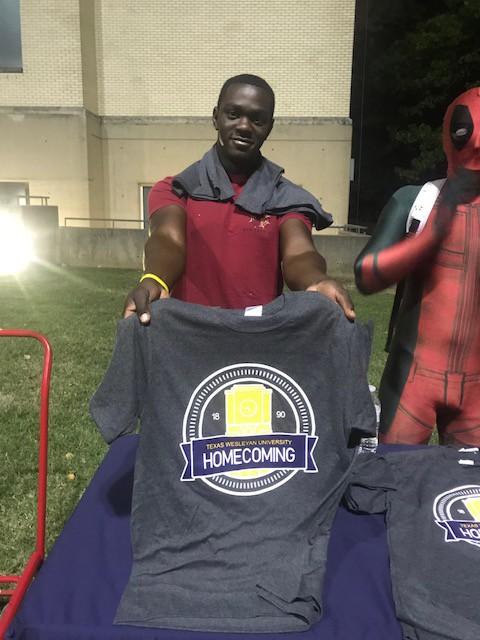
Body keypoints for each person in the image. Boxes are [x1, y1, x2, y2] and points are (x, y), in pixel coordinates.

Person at [123, 74, 354, 323]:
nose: (244, 126)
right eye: (233, 114)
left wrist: (317, 281)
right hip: (189, 336)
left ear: (270, 126)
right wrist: (154, 279)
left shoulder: (286, 197)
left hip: (257, 341)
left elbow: (299, 254)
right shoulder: (176, 189)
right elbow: (168, 239)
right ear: (216, 117)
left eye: (257, 119)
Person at [354, 86, 480, 446]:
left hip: (476, 391)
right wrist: (427, 239)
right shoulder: (416, 200)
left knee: (467, 495)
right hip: (413, 380)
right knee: (395, 482)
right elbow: (365, 275)